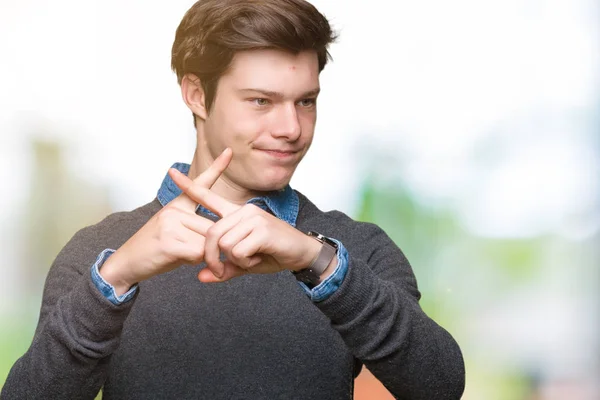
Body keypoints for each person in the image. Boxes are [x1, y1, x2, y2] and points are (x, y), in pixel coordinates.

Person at [1, 0, 465, 399]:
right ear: (196, 95)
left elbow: (440, 385)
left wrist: (315, 259)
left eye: (306, 101)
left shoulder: (352, 250)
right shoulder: (99, 254)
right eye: (262, 101)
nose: (291, 129)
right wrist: (117, 277)